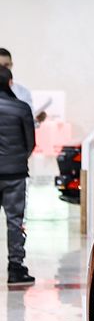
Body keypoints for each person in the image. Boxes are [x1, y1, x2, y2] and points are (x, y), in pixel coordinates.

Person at [0, 66, 35, 286]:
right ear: (10, 83)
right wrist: (19, 159)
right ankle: (15, 268)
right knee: (15, 221)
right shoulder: (21, 108)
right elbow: (30, 142)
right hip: (14, 174)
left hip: (13, 170)